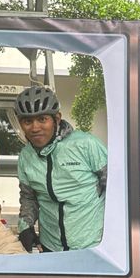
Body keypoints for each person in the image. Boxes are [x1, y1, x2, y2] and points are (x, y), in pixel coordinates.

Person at [15, 86, 108, 253]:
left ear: (57, 119)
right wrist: (25, 227)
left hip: (91, 245)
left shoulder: (86, 144)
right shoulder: (25, 156)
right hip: (51, 246)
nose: (35, 128)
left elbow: (117, 190)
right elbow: (29, 197)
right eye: (27, 121)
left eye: (42, 119)